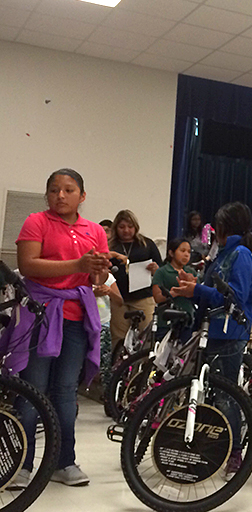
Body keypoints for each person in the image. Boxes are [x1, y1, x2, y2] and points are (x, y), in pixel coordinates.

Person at [7, 168, 111, 486]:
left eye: (68, 190)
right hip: (38, 314)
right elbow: (28, 265)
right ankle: (22, 464)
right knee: (31, 391)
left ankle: (64, 462)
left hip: (77, 318)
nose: (60, 196)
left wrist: (99, 275)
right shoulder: (36, 222)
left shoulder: (95, 230)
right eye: (54, 190)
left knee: (65, 393)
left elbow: (97, 277)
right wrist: (78, 265)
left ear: (82, 195)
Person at [171, 201, 252, 479]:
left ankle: (235, 454)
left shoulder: (241, 253)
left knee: (225, 396)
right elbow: (213, 290)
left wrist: (197, 289)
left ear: (223, 227)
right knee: (209, 394)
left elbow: (235, 297)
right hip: (210, 332)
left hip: (229, 333)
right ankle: (213, 445)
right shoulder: (223, 254)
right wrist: (193, 285)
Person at [108, 210, 162, 349]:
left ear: (136, 227)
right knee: (119, 337)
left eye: (130, 227)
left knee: (145, 335)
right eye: (122, 227)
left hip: (142, 296)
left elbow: (160, 268)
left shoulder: (146, 244)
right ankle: (119, 367)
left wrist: (155, 269)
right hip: (119, 298)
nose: (126, 230)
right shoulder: (111, 246)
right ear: (116, 228)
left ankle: (142, 367)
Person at [152, 238, 197, 342]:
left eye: (189, 252)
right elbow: (157, 297)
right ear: (171, 253)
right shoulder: (162, 272)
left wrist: (192, 284)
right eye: (182, 251)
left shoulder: (191, 273)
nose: (186, 254)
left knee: (181, 355)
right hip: (166, 321)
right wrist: (175, 292)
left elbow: (198, 295)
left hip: (186, 320)